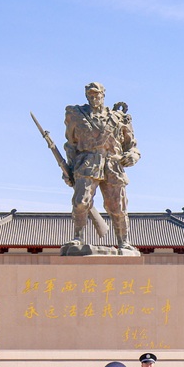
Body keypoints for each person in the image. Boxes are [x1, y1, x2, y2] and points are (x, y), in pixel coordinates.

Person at [62, 82, 141, 250]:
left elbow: (132, 146)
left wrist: (132, 156)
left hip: (113, 164)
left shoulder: (118, 118)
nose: (94, 98)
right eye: (90, 96)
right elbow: (70, 144)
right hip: (87, 163)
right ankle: (78, 238)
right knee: (81, 202)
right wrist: (68, 169)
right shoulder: (77, 115)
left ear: (103, 96)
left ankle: (123, 242)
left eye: (97, 95)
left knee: (117, 206)